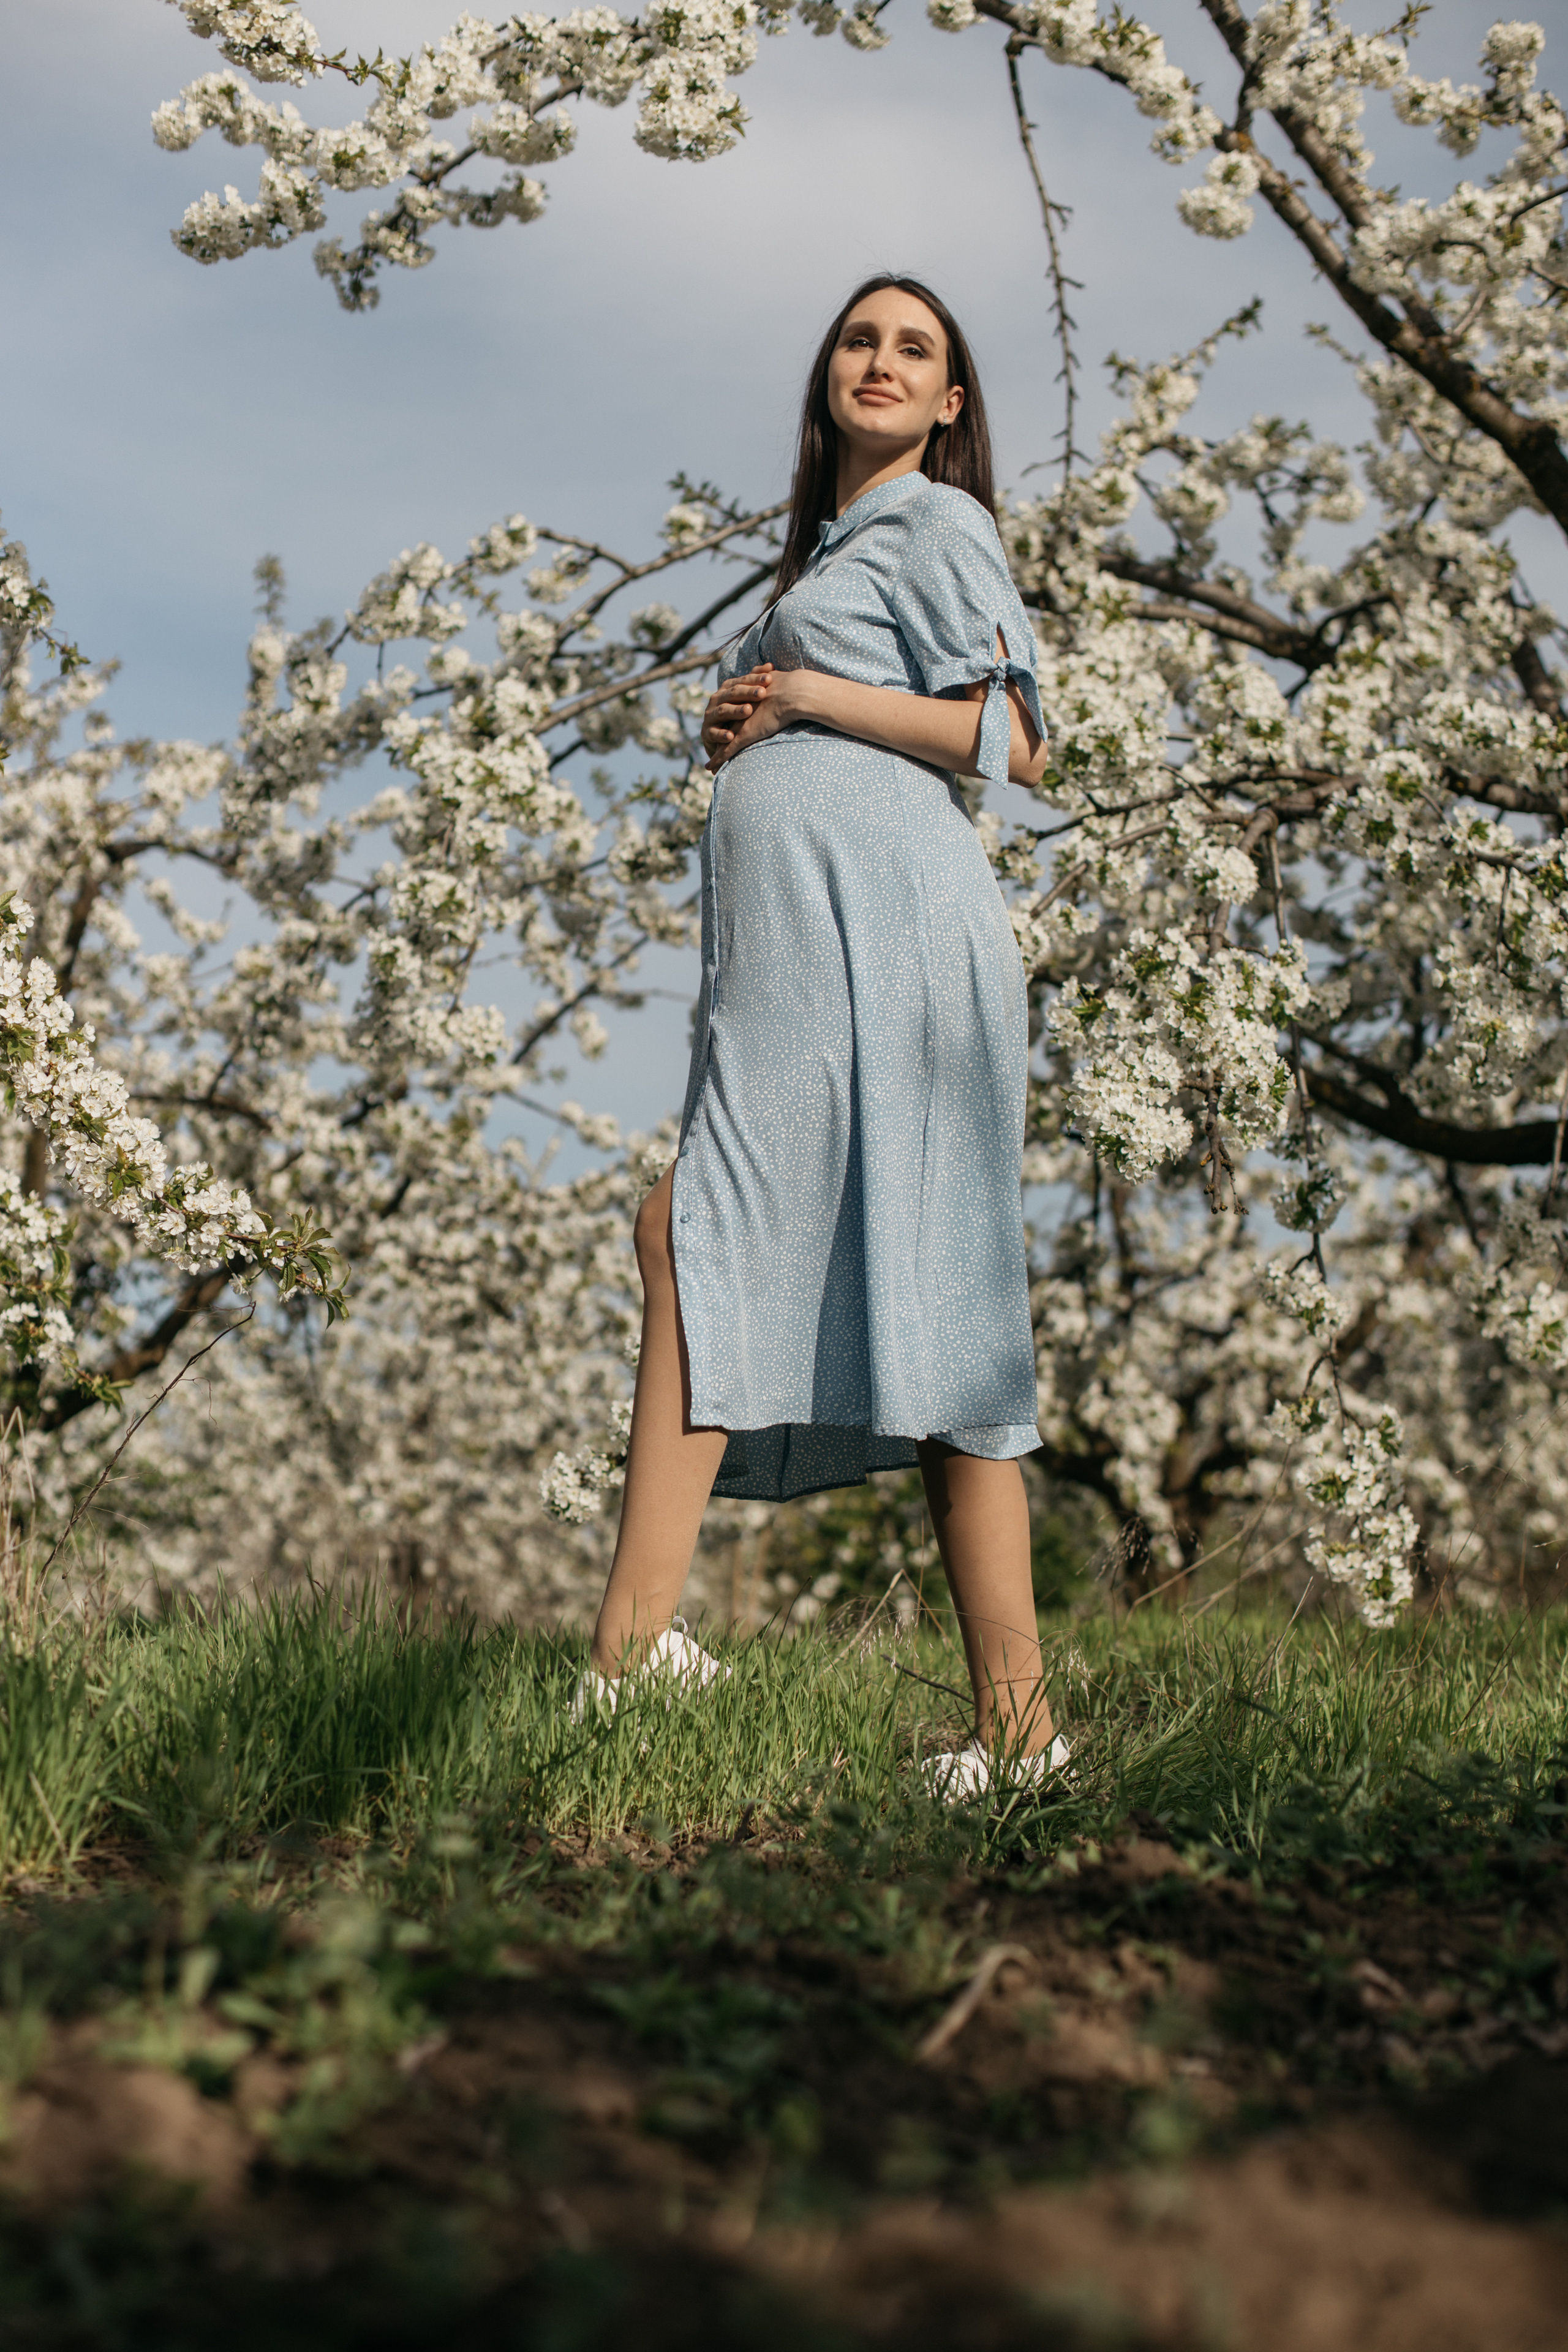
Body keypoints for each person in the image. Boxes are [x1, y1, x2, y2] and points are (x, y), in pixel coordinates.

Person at [575, 274, 1065, 1795]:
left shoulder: (939, 525)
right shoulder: (846, 548)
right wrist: (765, 719)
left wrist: (802, 695)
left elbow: (1011, 739)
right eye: (859, 339)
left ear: (949, 404)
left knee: (765, 1240)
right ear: (824, 381)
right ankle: (1009, 1731)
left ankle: (639, 1655)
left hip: (894, 939)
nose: (881, 361)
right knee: (715, 1231)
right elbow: (851, 704)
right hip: (813, 942)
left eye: (913, 349)